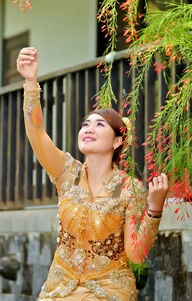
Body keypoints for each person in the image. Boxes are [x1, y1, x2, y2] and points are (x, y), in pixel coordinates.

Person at [17, 47, 168, 301]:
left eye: (100, 125)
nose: (89, 128)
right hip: (59, 288)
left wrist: (155, 208)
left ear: (118, 141)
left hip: (110, 290)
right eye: (85, 124)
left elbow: (135, 254)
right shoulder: (67, 173)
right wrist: (30, 82)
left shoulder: (129, 188)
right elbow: (37, 134)